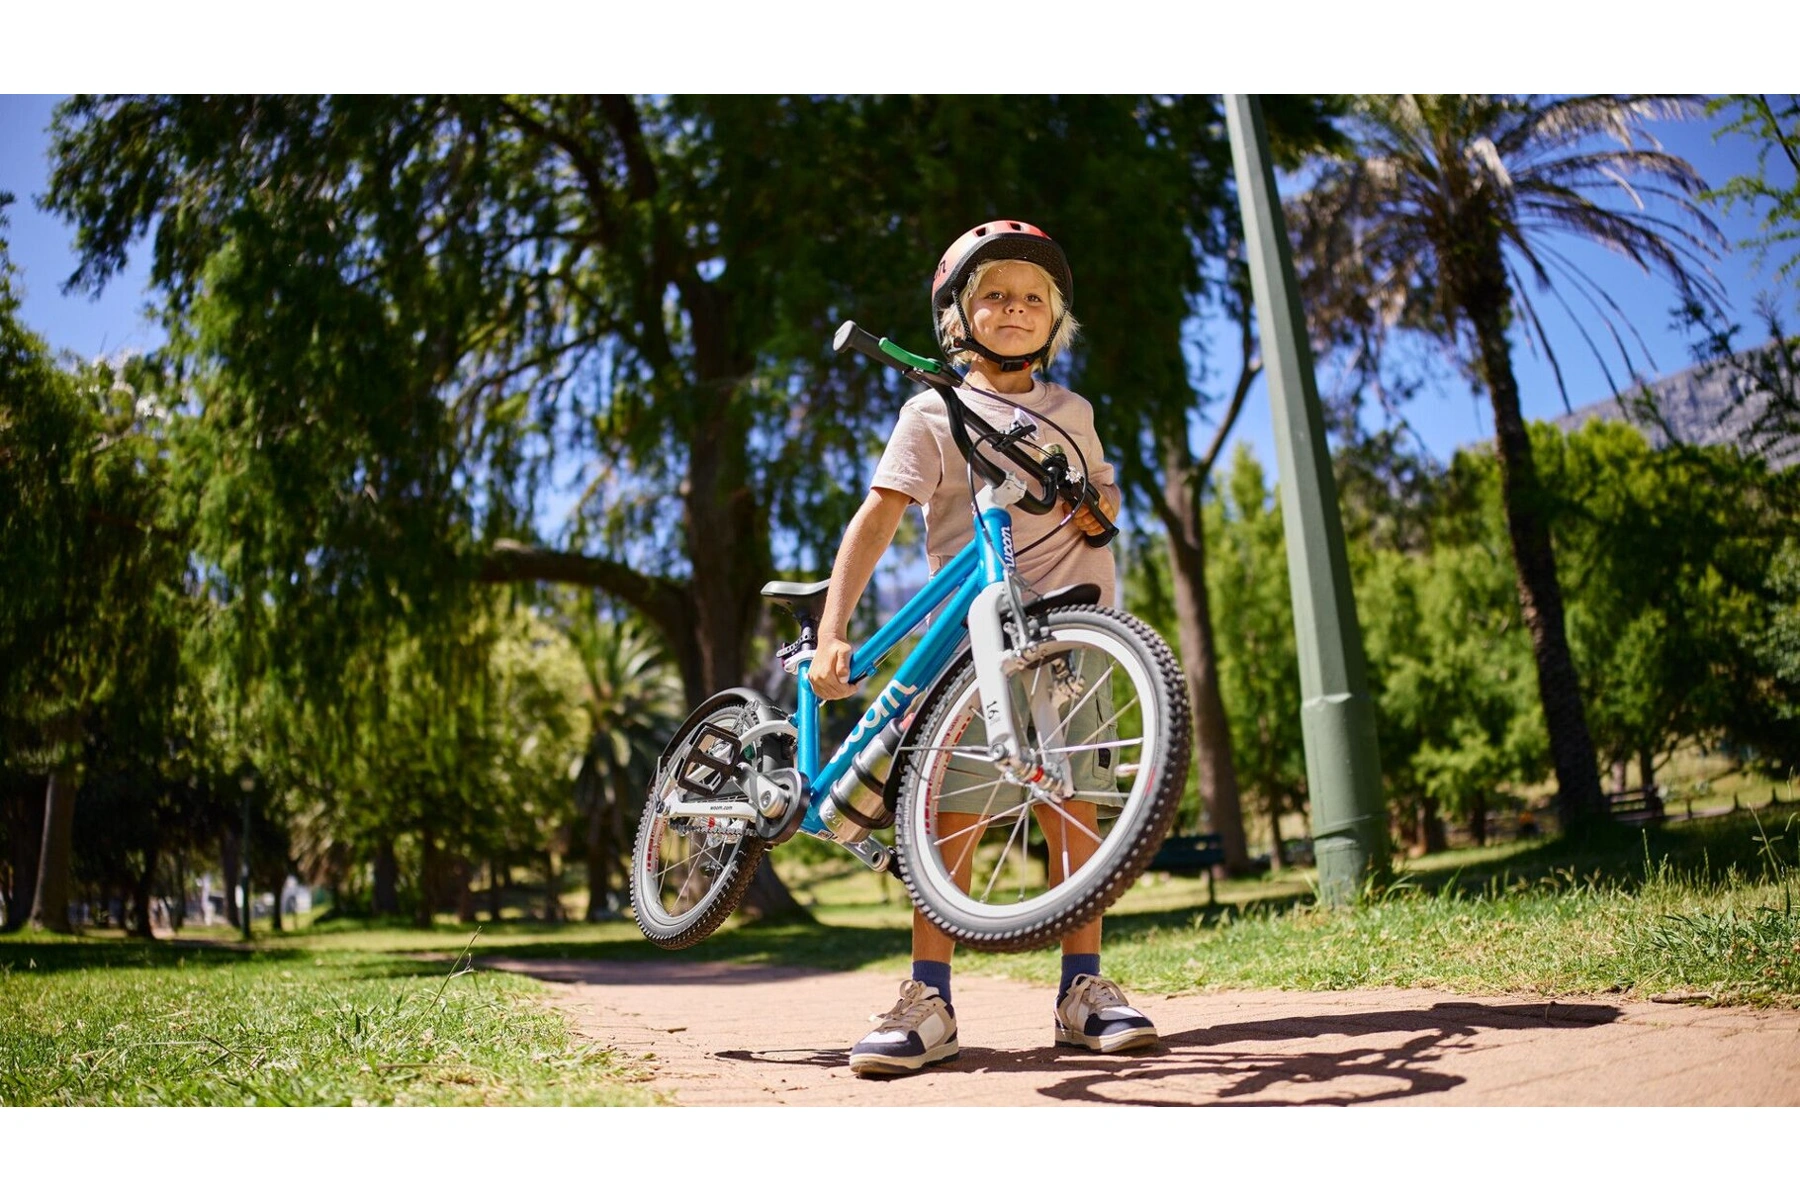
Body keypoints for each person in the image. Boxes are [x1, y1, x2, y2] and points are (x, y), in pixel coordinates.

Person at [808, 219, 1159, 1077]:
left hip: (1074, 635)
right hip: (975, 645)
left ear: (1056, 319)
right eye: (994, 294)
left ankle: (1084, 990)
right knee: (952, 812)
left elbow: (1104, 501)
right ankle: (928, 996)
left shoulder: (1073, 413)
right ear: (957, 319)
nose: (1014, 307)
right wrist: (832, 630)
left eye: (1033, 297)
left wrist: (1092, 505)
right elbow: (879, 516)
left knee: (1075, 806)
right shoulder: (932, 410)